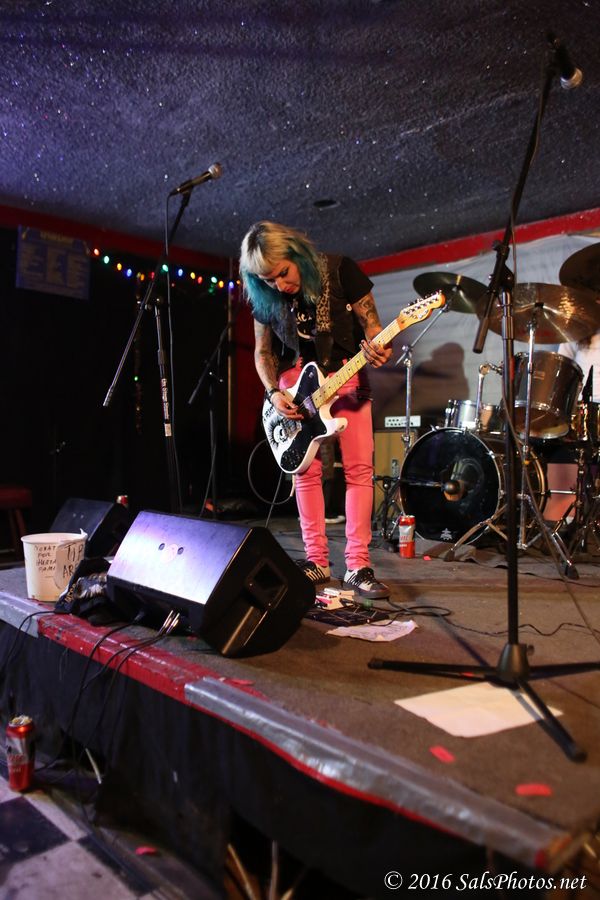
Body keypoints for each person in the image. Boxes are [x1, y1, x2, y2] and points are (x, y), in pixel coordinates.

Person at [240, 221, 392, 599]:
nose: (280, 285)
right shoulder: (266, 297)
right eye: (269, 280)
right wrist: (273, 392)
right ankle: (317, 562)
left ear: (296, 253)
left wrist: (378, 345)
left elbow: (372, 326)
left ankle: (357, 565)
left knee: (359, 470)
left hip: (347, 377)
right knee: (306, 474)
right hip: (295, 387)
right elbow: (262, 352)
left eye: (283, 273)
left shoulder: (339, 270)